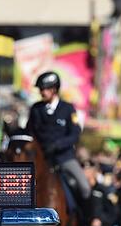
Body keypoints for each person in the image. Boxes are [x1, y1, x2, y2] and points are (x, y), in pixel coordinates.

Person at [25, 71, 91, 202]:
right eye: (40, 89)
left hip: (64, 158)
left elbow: (75, 134)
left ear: (54, 89)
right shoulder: (35, 109)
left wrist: (57, 145)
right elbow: (29, 132)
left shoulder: (68, 108)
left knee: (85, 187)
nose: (42, 92)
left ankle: (85, 220)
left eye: (44, 89)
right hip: (41, 157)